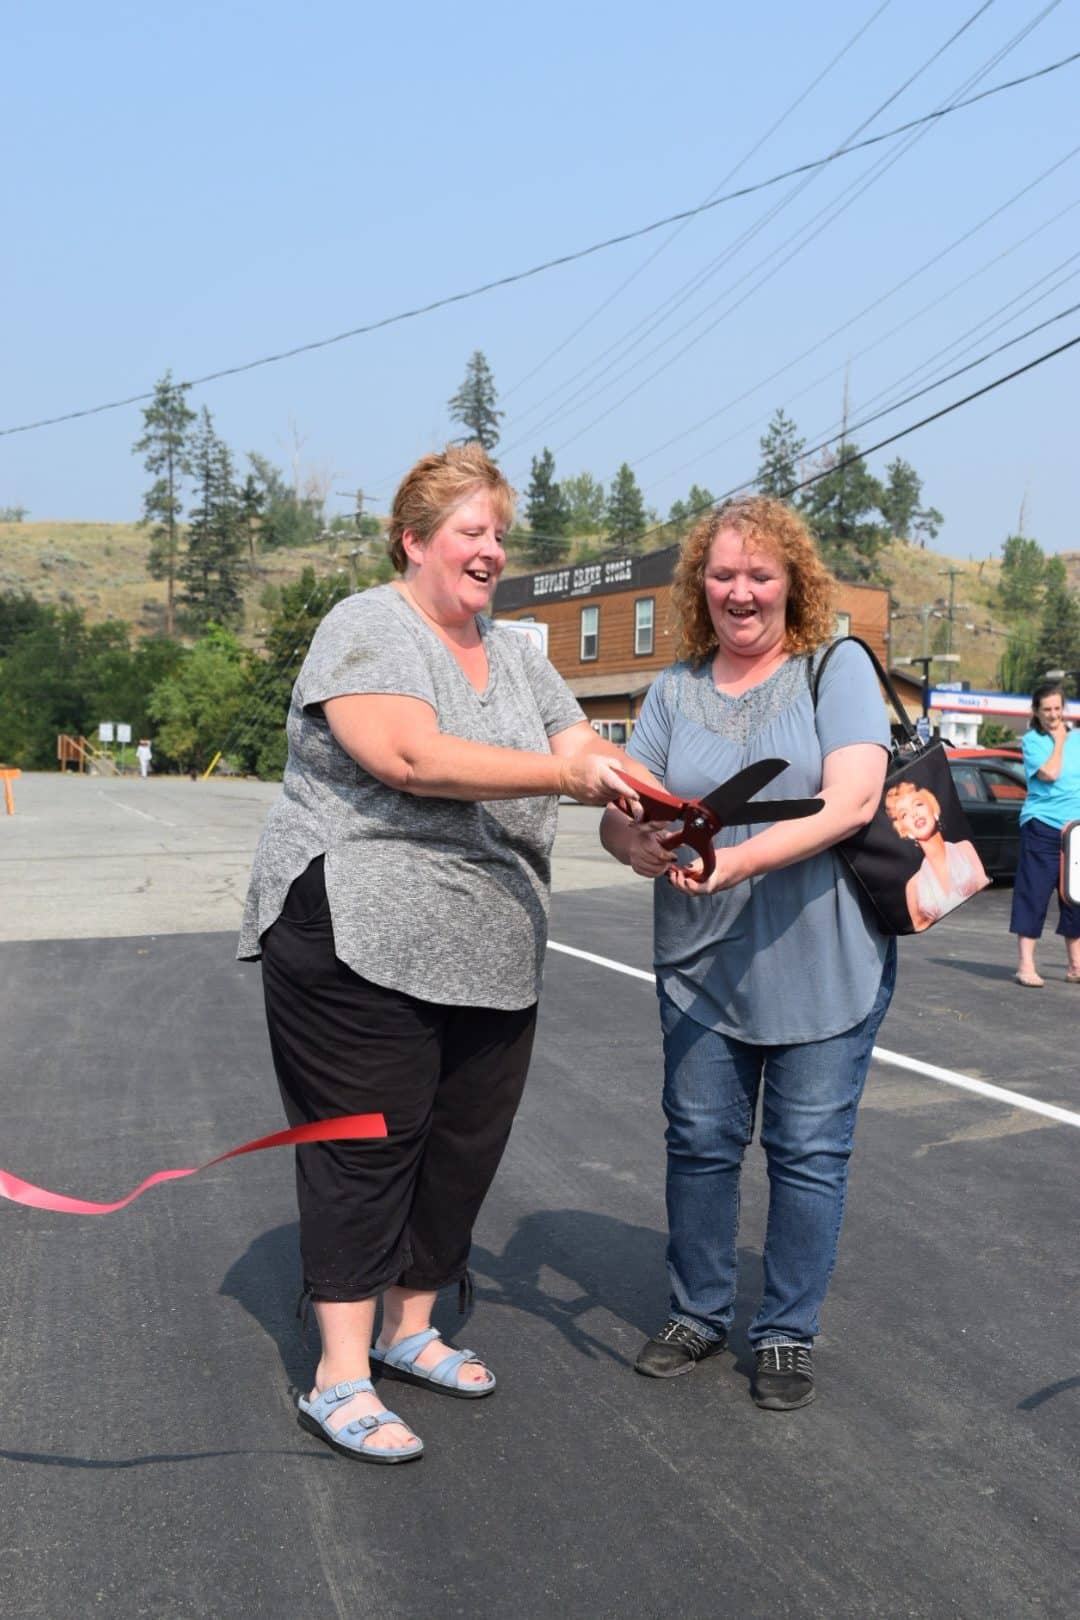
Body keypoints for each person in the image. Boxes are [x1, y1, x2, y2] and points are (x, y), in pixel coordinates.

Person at [237, 444, 644, 1465]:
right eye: (471, 530)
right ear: (413, 540)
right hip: (359, 929)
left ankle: (410, 1327)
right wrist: (565, 779)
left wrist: (644, 788)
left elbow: (577, 747)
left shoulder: (519, 654)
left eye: (500, 533)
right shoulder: (368, 628)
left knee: (462, 1146)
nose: (492, 551)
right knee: (366, 1144)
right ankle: (339, 1375)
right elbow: (408, 757)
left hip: (493, 944)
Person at [601, 494, 895, 1412]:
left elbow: (849, 801)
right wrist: (636, 844)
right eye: (723, 574)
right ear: (701, 585)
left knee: (808, 1151)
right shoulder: (674, 690)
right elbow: (623, 812)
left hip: (824, 963)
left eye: (760, 575)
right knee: (699, 1143)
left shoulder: (833, 669)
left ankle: (785, 1334)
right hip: (699, 963)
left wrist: (735, 862)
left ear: (792, 584)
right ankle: (697, 1312)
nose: (740, 593)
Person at [1010, 680, 1080, 987]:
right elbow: (1050, 774)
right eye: (1047, 710)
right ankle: (1026, 965)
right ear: (1036, 712)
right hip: (1042, 825)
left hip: (1075, 829)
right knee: (1034, 893)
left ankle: (1076, 966)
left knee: (1075, 897)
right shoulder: (1032, 741)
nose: (1053, 715)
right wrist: (1061, 740)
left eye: (1057, 708)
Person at [883, 780, 987, 932]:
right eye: (904, 814)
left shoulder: (965, 849)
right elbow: (918, 928)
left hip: (978, 930)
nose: (914, 814)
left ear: (933, 809)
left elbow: (981, 886)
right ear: (904, 830)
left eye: (918, 804)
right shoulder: (913, 886)